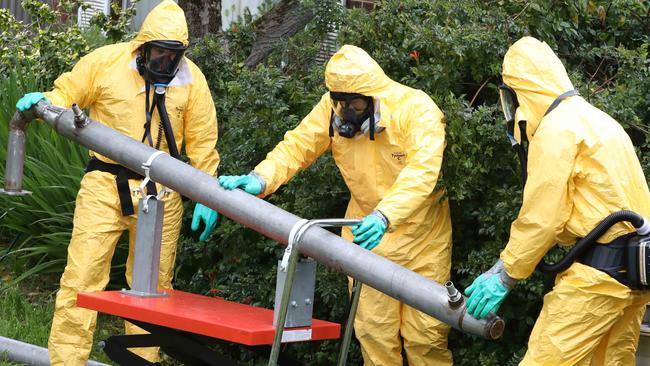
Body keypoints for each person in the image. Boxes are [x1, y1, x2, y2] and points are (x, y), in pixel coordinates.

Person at [219, 45, 453, 365]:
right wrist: (261, 178)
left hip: (422, 237)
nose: (346, 112)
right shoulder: (333, 107)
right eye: (340, 103)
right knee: (374, 334)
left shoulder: (417, 110)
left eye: (354, 104)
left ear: (373, 96)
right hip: (366, 234)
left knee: (425, 336)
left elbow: (423, 172)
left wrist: (385, 215)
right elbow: (298, 145)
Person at [15, 1, 220, 364]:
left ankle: (142, 360)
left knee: (153, 292)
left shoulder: (192, 80)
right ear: (142, 46)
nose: (164, 64)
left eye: (172, 57)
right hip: (105, 186)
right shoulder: (106, 62)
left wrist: (208, 195)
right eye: (157, 54)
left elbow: (203, 146)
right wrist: (45, 103)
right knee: (81, 279)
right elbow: (65, 94)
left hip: (162, 193)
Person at [464, 36, 650, 365]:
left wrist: (503, 274)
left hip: (597, 281)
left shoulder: (555, 130)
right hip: (633, 278)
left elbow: (543, 217)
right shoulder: (599, 120)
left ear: (523, 92)